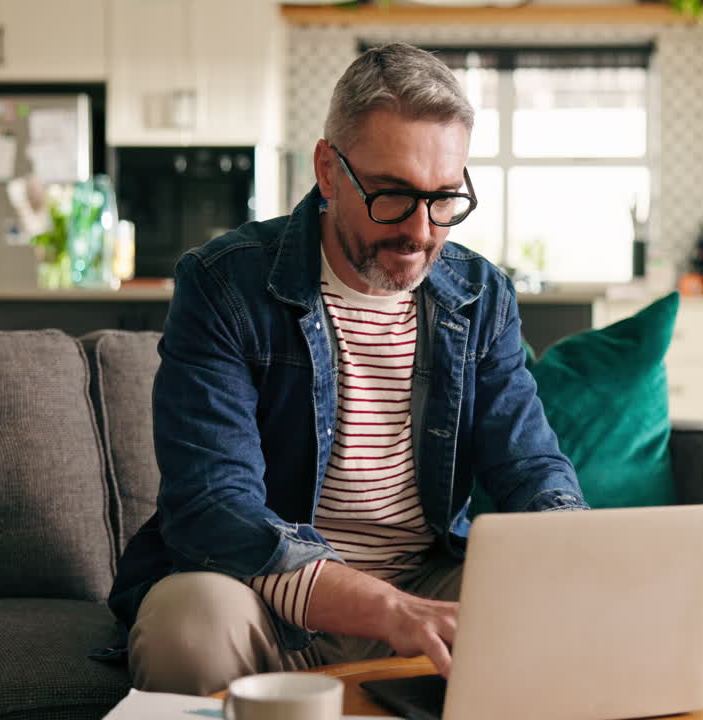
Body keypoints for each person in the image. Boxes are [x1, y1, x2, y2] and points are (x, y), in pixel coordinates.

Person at [107, 42, 589, 696]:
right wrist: (386, 610)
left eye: (444, 198)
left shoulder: (480, 297)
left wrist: (578, 554)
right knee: (190, 626)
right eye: (393, 195)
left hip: (425, 583)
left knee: (549, 605)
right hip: (263, 599)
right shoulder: (225, 285)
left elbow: (529, 465)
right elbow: (213, 508)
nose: (421, 231)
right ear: (329, 171)